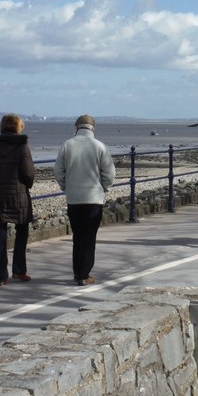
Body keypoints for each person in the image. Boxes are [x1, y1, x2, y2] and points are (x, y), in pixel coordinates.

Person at [54, 114, 116, 286]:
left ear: (76, 127)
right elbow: (109, 173)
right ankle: (84, 273)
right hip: (94, 198)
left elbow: (58, 171)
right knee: (89, 237)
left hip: (74, 199)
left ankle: (77, 271)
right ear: (92, 128)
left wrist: (66, 187)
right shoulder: (99, 146)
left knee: (78, 236)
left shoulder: (67, 145)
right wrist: (104, 188)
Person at [0, 114, 36, 286]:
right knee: (22, 231)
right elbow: (29, 173)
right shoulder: (22, 146)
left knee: (0, 233)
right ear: (17, 127)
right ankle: (19, 270)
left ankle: (1, 276)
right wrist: (27, 184)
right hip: (18, 196)